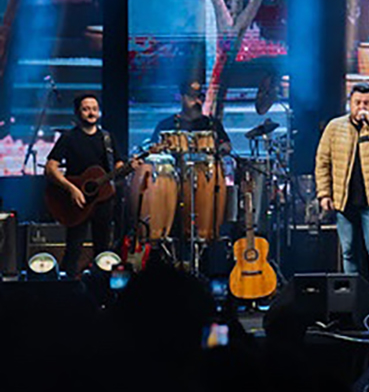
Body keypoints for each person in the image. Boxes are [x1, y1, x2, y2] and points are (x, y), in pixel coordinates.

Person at [315, 82, 369, 297]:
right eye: (357, 102)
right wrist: (324, 194)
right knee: (349, 252)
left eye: (366, 103)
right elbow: (323, 162)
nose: (361, 107)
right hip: (344, 200)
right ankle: (352, 297)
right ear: (350, 103)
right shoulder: (335, 127)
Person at [45, 93, 134, 276]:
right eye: (86, 109)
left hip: (103, 200)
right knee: (73, 248)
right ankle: (69, 286)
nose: (91, 113)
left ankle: (102, 285)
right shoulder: (68, 138)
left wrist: (128, 167)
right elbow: (50, 167)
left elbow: (117, 167)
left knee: (103, 249)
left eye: (94, 109)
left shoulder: (107, 138)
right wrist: (72, 189)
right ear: (78, 112)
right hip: (76, 201)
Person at [149, 79, 232, 156]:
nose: (197, 101)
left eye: (200, 97)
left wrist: (223, 148)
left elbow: (226, 145)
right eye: (192, 97)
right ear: (182, 98)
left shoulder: (212, 124)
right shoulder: (166, 125)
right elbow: (153, 149)